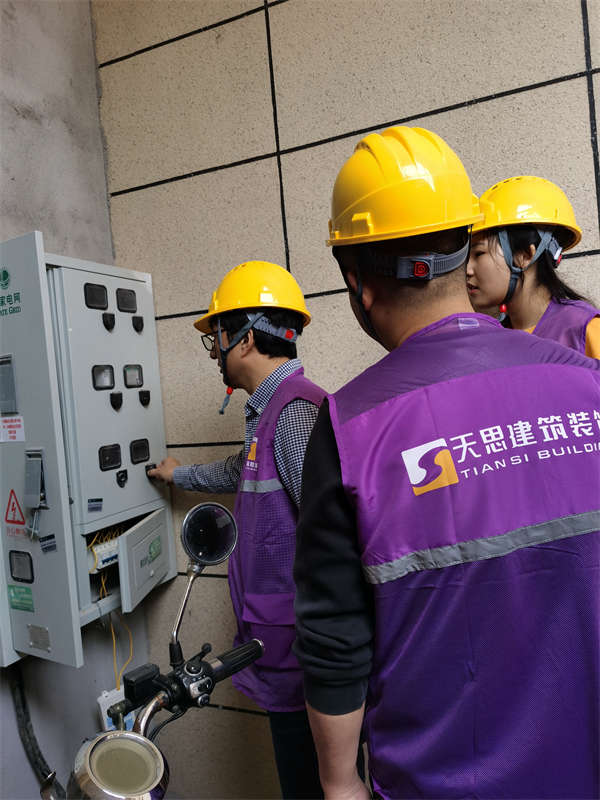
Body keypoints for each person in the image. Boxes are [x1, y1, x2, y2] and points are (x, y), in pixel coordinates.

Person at [293, 126, 600, 799]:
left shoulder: (346, 430)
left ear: (357, 283)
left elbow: (334, 637)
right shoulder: (587, 381)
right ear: (466, 249)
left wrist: (339, 783)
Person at [149, 260, 326, 799]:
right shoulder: (272, 413)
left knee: (311, 784)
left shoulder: (295, 412)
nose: (215, 353)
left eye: (218, 337)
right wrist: (181, 476)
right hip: (282, 643)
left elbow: (332, 535)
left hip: (305, 653)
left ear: (245, 337)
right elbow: (242, 470)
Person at [466, 175, 600, 355]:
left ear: (525, 255)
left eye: (479, 253)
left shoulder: (586, 330)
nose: (467, 270)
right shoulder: (491, 341)